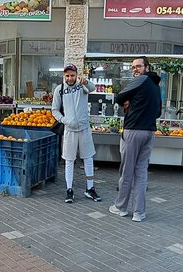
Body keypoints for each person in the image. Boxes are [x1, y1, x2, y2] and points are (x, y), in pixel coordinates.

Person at [110, 56, 162, 222]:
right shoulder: (155, 85)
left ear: (147, 67)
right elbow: (158, 112)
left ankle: (121, 207)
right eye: (133, 67)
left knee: (127, 171)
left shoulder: (141, 80)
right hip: (149, 133)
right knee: (141, 173)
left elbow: (119, 97)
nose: (135, 69)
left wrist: (129, 103)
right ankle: (139, 213)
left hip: (133, 131)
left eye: (138, 66)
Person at [52, 63, 101, 203]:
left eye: (72, 75)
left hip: (84, 128)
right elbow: (54, 110)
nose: (70, 78)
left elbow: (92, 88)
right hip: (69, 130)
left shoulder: (82, 85)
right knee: (69, 160)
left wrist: (86, 81)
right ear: (64, 76)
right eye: (67, 75)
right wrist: (64, 120)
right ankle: (69, 190)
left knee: (88, 158)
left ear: (76, 75)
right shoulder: (59, 89)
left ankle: (90, 188)